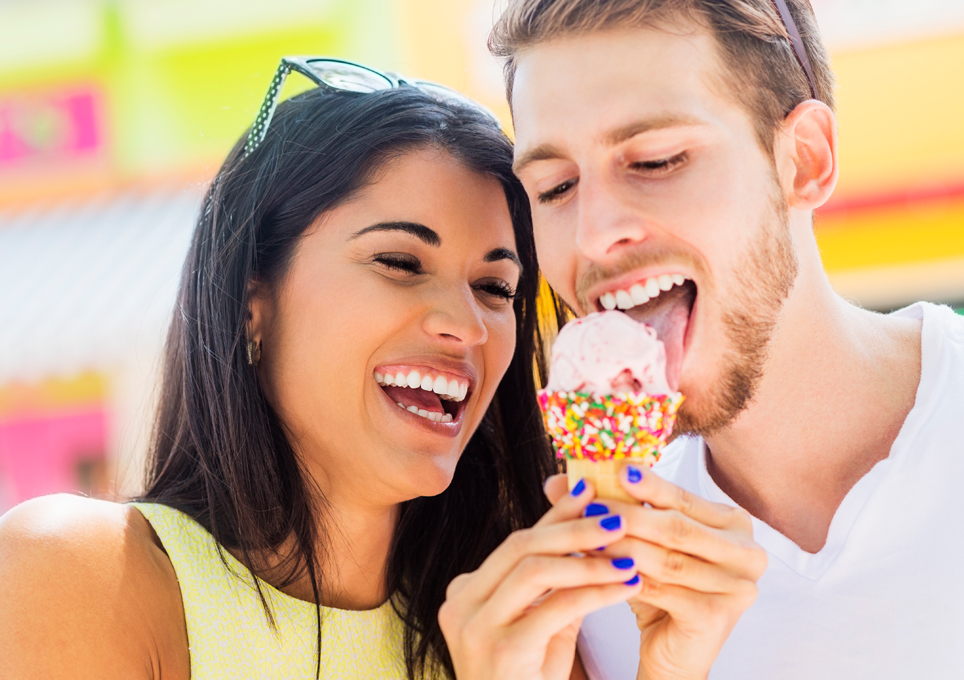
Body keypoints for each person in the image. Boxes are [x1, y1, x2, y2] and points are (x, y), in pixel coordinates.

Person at [0, 58, 762, 680]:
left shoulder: (524, 633)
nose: (466, 325)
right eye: (399, 263)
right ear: (252, 300)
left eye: (496, 288)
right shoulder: (77, 574)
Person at [488, 0, 964, 678]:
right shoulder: (581, 589)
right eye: (556, 187)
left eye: (655, 161)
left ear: (804, 159)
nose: (592, 235)